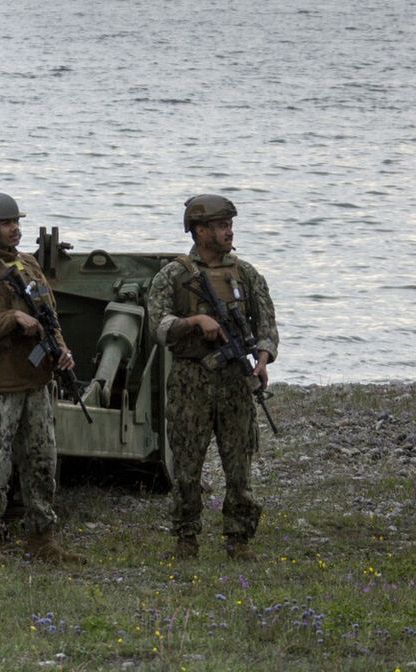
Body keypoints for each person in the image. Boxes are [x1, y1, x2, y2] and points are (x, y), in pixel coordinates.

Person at [0, 189, 86, 563]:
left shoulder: (29, 266)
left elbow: (48, 316)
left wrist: (62, 350)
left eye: (16, 223)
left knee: (42, 459)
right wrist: (10, 319)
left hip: (34, 382)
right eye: (6, 223)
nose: (14, 230)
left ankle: (42, 538)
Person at [144, 193, 279, 561]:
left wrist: (262, 360)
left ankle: (239, 537)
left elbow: (266, 324)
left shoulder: (246, 274)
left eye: (230, 225)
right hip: (192, 380)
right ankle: (186, 537)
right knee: (187, 466)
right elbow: (158, 325)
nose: (228, 232)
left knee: (240, 465)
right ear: (199, 231)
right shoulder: (172, 276)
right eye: (221, 226)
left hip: (235, 379)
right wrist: (196, 322)